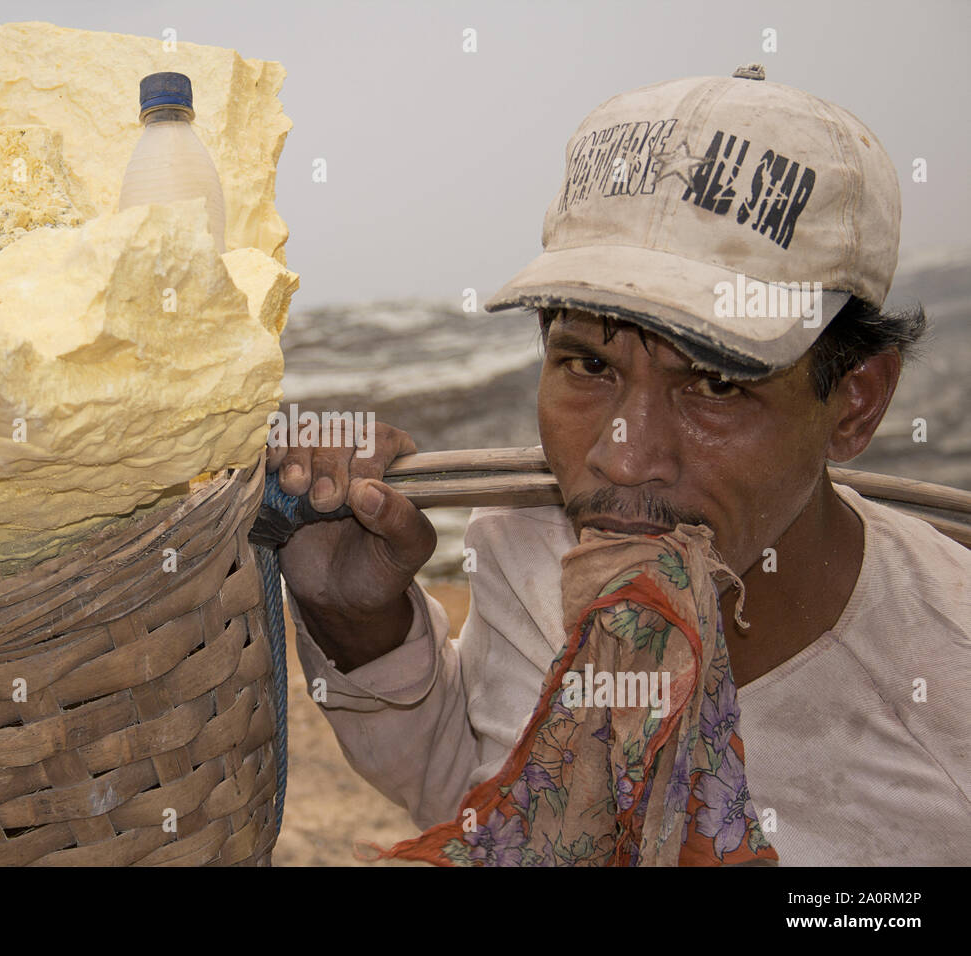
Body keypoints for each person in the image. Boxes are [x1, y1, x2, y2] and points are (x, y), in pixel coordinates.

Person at [268, 64, 971, 865]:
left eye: (714, 384)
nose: (622, 459)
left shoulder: (946, 692)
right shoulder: (526, 544)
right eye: (589, 367)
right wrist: (359, 622)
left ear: (855, 403)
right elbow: (482, 783)